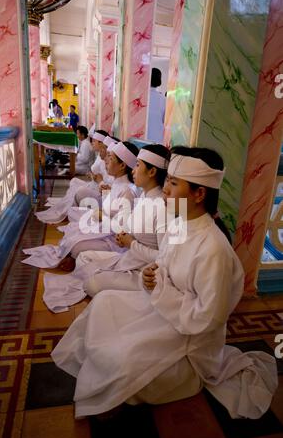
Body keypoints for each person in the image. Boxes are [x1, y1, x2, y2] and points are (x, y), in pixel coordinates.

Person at [51, 146, 278, 419]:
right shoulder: (180, 224)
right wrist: (153, 275)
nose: (166, 190)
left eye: (172, 183)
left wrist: (160, 290)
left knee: (123, 360)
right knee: (104, 303)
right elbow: (166, 264)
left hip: (190, 342)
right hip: (164, 309)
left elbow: (208, 318)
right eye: (167, 181)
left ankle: (179, 376)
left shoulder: (213, 249)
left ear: (199, 193)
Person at [42, 144, 170, 312]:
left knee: (91, 283)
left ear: (152, 172)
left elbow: (164, 258)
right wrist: (126, 236)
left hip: (142, 271)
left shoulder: (163, 206)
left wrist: (130, 242)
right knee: (84, 259)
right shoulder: (146, 197)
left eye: (138, 165)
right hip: (129, 257)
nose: (133, 170)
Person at [22, 141, 140, 272]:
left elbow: (121, 226)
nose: (106, 161)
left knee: (77, 244)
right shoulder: (118, 183)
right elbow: (110, 206)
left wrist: (101, 216)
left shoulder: (128, 191)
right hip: (103, 226)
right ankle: (71, 256)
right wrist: (103, 202)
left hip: (112, 239)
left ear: (122, 165)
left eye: (111, 158)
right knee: (74, 228)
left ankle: (73, 257)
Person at [34, 130, 111, 225]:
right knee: (74, 182)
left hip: (99, 191)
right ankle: (68, 207)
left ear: (101, 143)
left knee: (77, 190)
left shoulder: (105, 158)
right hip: (95, 185)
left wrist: (100, 181)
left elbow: (106, 184)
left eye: (94, 141)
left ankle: (69, 209)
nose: (92, 143)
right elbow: (100, 176)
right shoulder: (101, 156)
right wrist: (94, 177)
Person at [147, 68, 166, 144]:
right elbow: (165, 121)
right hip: (157, 141)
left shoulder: (140, 98)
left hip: (139, 140)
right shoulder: (163, 99)